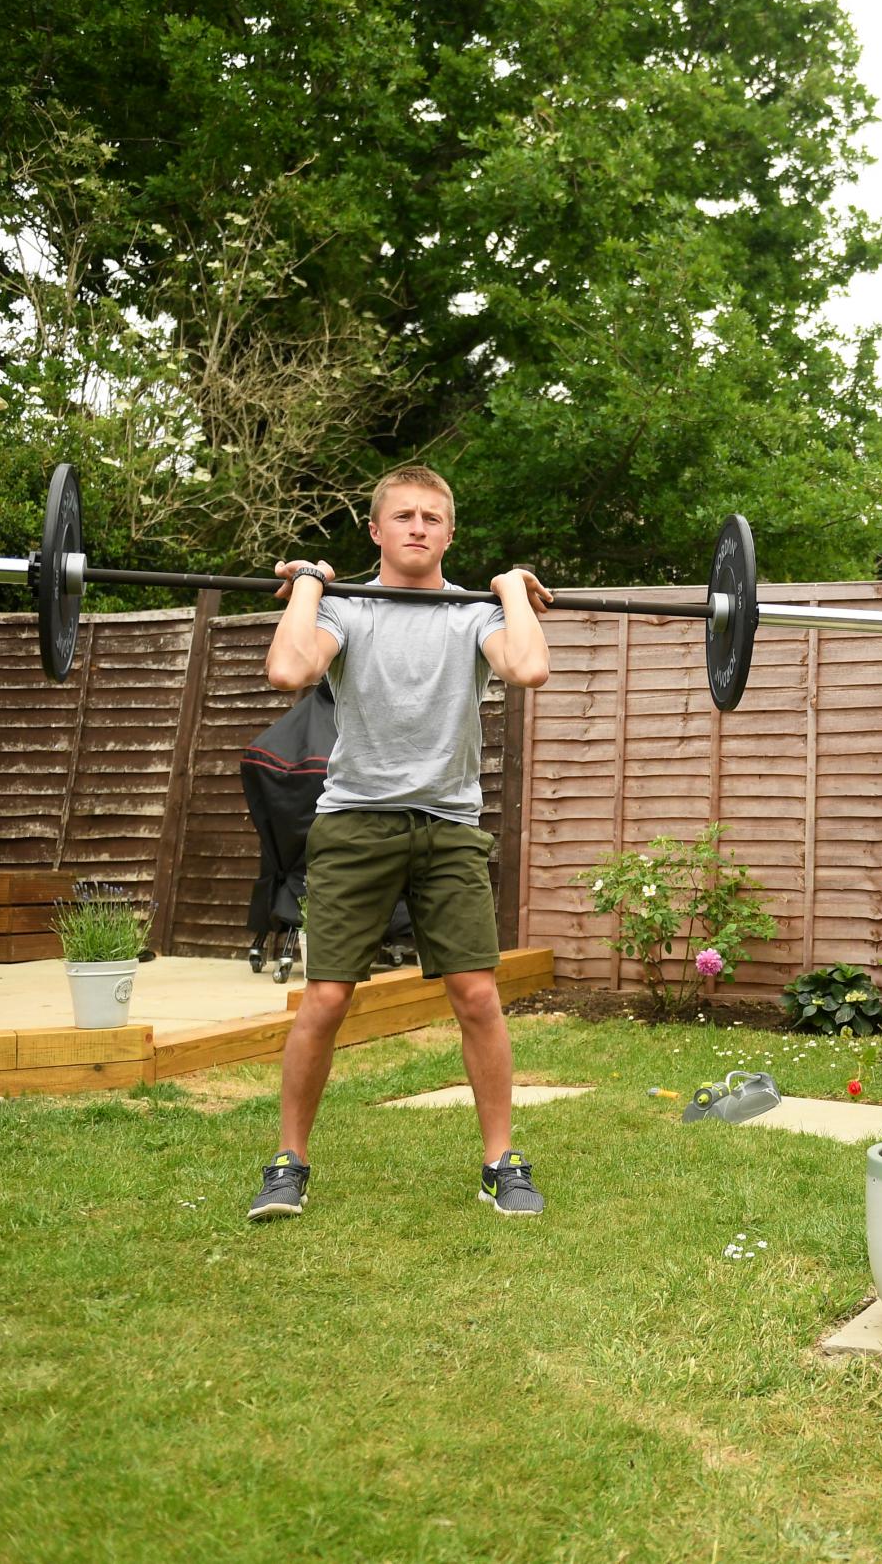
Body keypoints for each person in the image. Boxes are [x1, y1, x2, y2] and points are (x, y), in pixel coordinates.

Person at [247, 465, 553, 1221]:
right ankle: (288, 1161)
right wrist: (315, 583)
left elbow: (530, 665)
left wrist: (511, 587)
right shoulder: (349, 610)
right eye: (403, 515)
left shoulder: (472, 614)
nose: (418, 527)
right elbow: (288, 668)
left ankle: (500, 1161)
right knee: (325, 997)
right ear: (376, 531)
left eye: (432, 517)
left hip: (448, 824)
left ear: (450, 533)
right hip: (355, 821)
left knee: (477, 994)